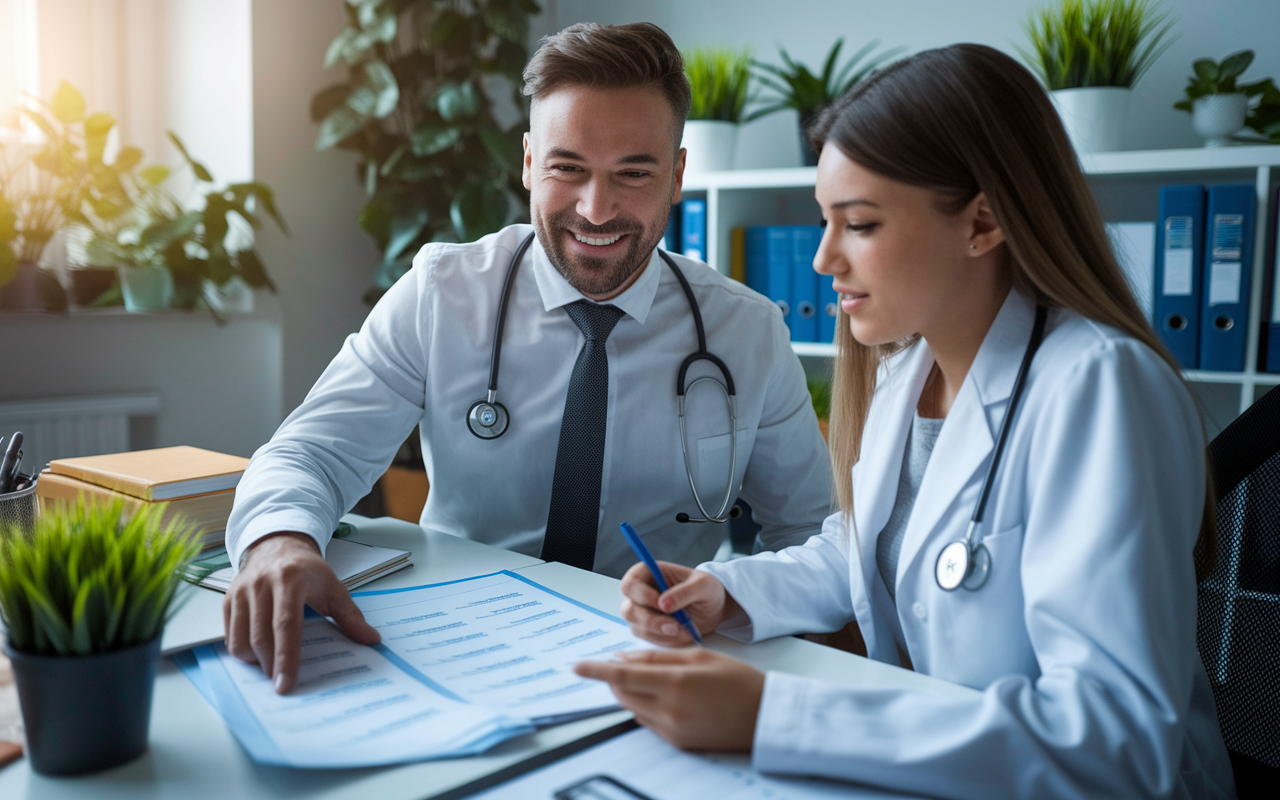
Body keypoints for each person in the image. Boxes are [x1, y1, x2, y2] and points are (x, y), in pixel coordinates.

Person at [576, 44, 1237, 799]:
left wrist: (777, 715)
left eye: (858, 223)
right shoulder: (910, 372)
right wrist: (727, 593)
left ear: (983, 220)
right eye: (826, 221)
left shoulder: (1100, 390)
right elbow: (865, 550)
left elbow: (1113, 741)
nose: (824, 260)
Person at [223, 22, 832, 694]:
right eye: (568, 168)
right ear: (526, 163)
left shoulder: (745, 332)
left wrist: (735, 600)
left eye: (634, 172)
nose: (596, 210)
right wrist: (279, 542)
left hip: (653, 659)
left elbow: (808, 532)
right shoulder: (442, 293)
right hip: (455, 646)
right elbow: (310, 453)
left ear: (679, 175)